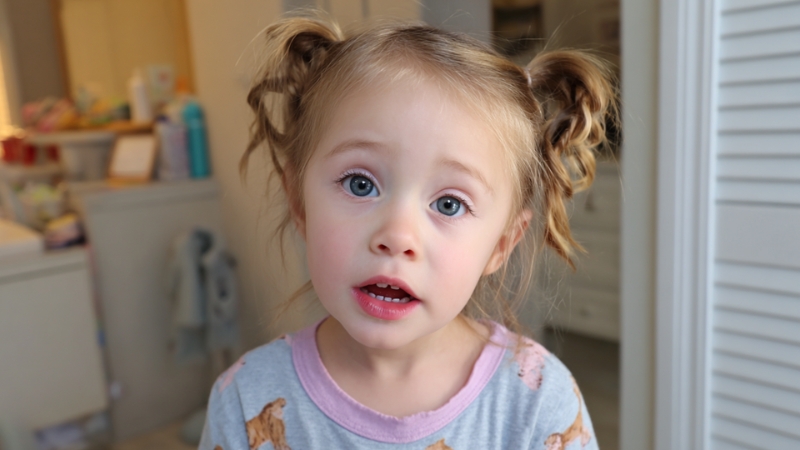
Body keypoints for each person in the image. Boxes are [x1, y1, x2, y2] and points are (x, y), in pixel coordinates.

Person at [200, 14, 617, 450]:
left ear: (501, 245)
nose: (397, 236)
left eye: (449, 204)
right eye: (361, 184)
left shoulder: (538, 402)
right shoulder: (246, 399)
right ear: (299, 202)